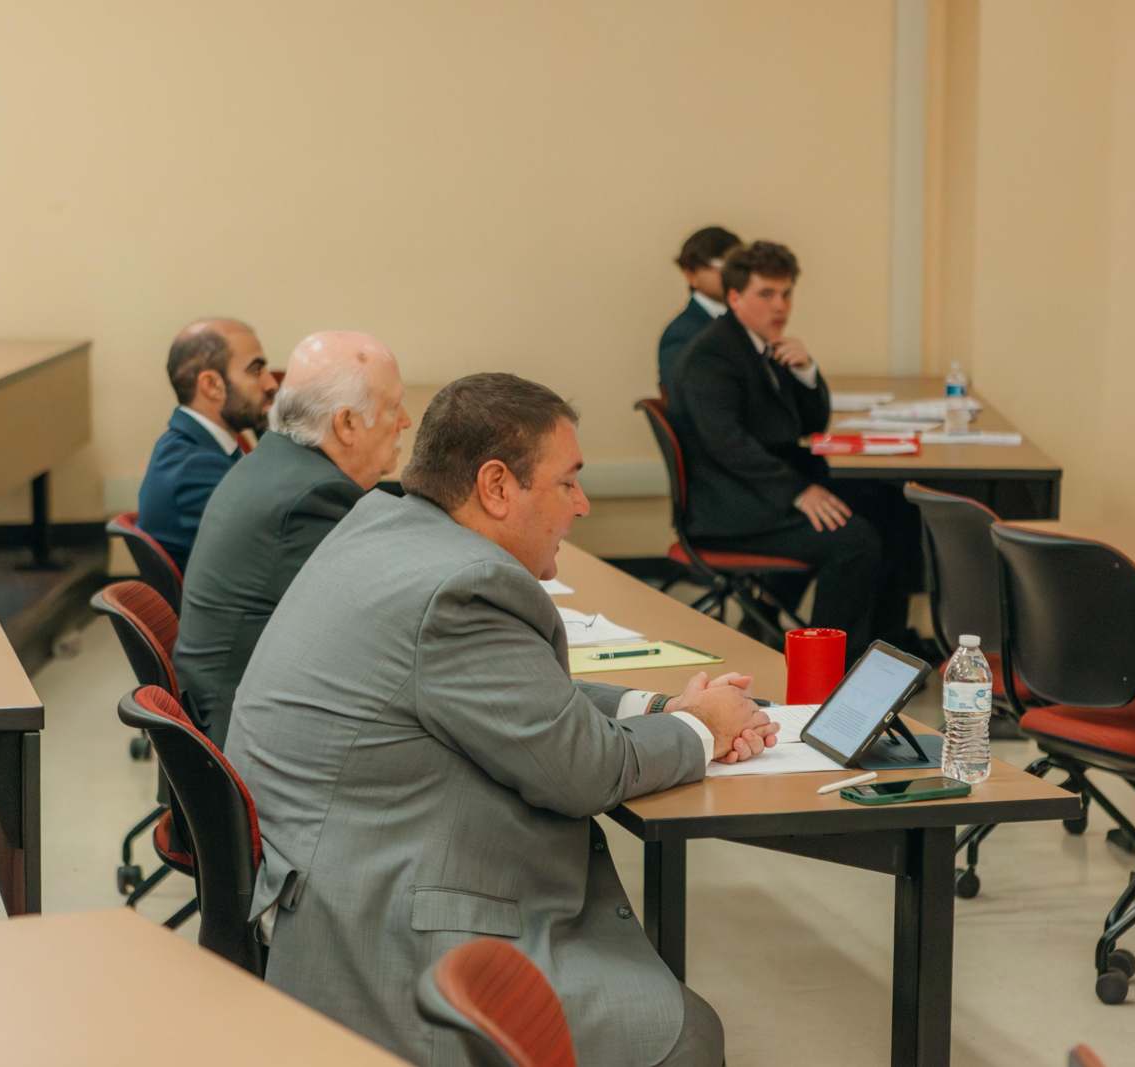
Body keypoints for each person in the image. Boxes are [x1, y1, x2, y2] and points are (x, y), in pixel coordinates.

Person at [224, 372, 777, 1067]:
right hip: (379, 931)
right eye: (567, 481)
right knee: (687, 1035)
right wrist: (706, 729)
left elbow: (518, 694)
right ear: (495, 486)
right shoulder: (464, 588)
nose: (583, 504)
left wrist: (660, 707)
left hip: (332, 872)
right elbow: (583, 772)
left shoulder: (382, 526)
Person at [665, 240, 920, 660]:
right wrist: (799, 492)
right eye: (766, 294)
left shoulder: (758, 343)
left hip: (760, 490)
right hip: (731, 509)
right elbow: (728, 444)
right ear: (735, 297)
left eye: (786, 293)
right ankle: (826, 668)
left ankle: (888, 649)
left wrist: (805, 371)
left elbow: (809, 425)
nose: (780, 306)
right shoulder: (711, 356)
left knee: (893, 506)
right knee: (853, 542)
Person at [174, 330, 410, 746]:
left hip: (224, 707)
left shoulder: (278, 461)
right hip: (243, 737)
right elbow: (384, 627)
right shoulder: (313, 499)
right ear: (347, 424)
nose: (406, 421)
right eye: (394, 407)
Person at [136, 318, 276, 571]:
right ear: (211, 386)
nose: (271, 384)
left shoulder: (196, 448)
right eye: (256, 370)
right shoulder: (194, 470)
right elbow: (277, 545)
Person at [657, 225, 742, 389]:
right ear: (690, 274)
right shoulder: (681, 333)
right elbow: (685, 395)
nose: (731, 275)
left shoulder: (750, 322)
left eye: (737, 267)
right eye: (721, 265)